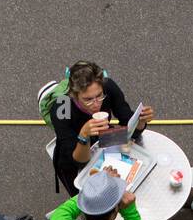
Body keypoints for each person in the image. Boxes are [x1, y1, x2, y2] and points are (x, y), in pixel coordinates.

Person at [49, 61, 155, 194]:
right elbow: (79, 162)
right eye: (88, 99)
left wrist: (141, 121)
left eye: (99, 96)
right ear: (74, 95)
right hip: (74, 156)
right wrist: (83, 135)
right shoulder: (61, 107)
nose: (96, 104)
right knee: (87, 200)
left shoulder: (108, 86)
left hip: (105, 141)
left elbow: (130, 128)